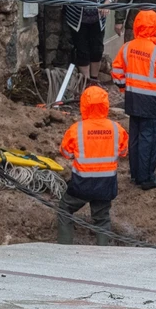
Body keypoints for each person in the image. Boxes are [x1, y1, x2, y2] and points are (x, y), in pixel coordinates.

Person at [111, 10, 156, 190]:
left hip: (132, 98)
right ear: (155, 28)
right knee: (150, 137)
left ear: (137, 25)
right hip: (151, 100)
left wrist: (124, 87)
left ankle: (135, 175)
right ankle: (146, 178)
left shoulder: (127, 47)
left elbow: (116, 72)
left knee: (135, 136)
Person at [57, 85, 128, 245]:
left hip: (82, 183)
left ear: (84, 105)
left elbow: (66, 153)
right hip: (106, 184)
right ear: (106, 105)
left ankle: (63, 250)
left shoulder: (77, 129)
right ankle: (103, 254)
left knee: (64, 209)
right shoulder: (116, 128)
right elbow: (123, 151)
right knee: (102, 219)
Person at [40, 0, 117, 84]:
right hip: (78, 22)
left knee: (97, 49)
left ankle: (94, 79)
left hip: (97, 21)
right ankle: (86, 81)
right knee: (82, 50)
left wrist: (107, 3)